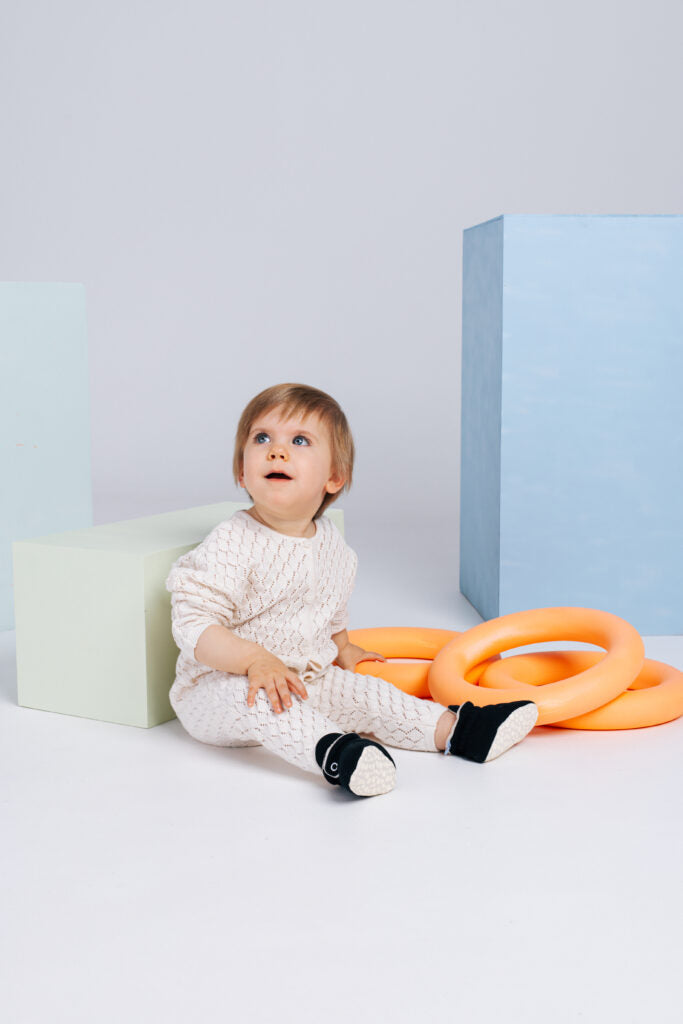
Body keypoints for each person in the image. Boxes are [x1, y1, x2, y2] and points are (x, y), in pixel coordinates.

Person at [165, 382, 538, 798]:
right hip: (220, 690)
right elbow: (193, 623)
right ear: (241, 471)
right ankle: (337, 754)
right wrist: (255, 660)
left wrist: (342, 646)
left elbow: (330, 605)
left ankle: (461, 731)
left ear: (334, 478)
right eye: (262, 438)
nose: (276, 450)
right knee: (266, 704)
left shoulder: (332, 544)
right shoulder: (232, 541)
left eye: (299, 440)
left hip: (305, 678)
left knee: (366, 692)